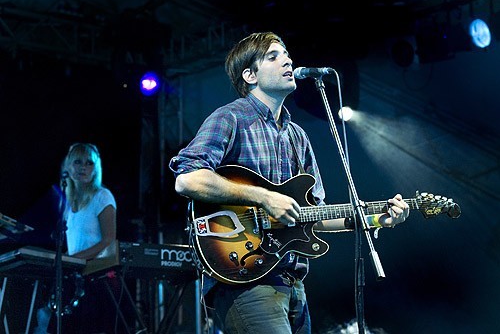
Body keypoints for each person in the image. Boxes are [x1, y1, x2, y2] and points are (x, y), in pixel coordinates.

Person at [168, 31, 410, 334]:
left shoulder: (298, 137)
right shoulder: (230, 118)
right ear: (250, 75)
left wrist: (376, 218)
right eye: (273, 56)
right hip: (245, 277)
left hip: (292, 283)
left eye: (287, 55)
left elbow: (315, 217)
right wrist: (263, 197)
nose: (287, 60)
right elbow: (188, 179)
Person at [39, 142, 120, 334]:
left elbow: (108, 240)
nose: (83, 167)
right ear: (68, 166)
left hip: (97, 278)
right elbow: (74, 246)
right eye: (78, 162)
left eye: (89, 163)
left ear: (95, 168)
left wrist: (74, 259)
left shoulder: (102, 196)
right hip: (74, 276)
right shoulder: (67, 204)